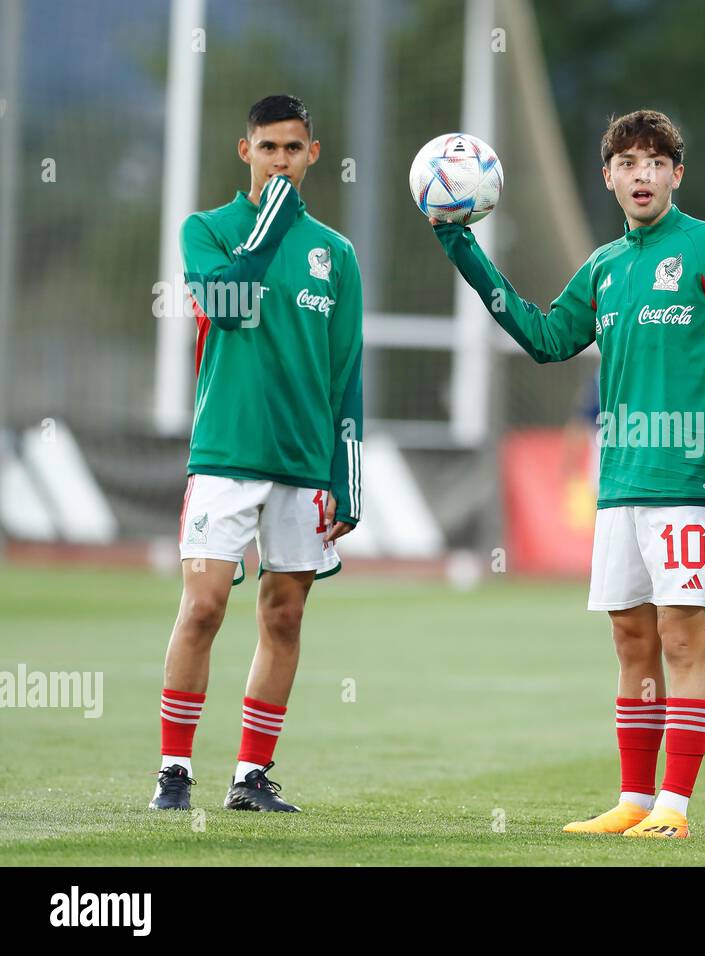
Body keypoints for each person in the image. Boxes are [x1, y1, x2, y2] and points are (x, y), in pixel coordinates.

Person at [429, 110, 705, 838]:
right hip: (620, 485)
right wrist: (464, 251)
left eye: (656, 162)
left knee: (683, 638)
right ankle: (634, 799)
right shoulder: (604, 268)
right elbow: (544, 339)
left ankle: (675, 808)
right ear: (607, 176)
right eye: (627, 162)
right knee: (631, 640)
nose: (642, 174)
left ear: (677, 175)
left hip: (692, 482)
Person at [148, 94, 364, 814]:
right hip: (226, 454)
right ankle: (173, 772)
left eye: (292, 149)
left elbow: (346, 370)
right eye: (267, 147)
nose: (280, 160)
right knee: (205, 604)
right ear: (245, 151)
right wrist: (270, 224)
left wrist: (347, 475)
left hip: (304, 464)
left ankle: (250, 777)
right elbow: (228, 301)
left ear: (313, 154)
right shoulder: (205, 230)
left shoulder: (335, 253)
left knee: (283, 618)